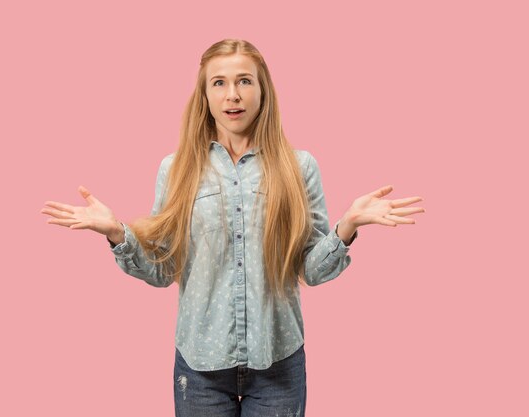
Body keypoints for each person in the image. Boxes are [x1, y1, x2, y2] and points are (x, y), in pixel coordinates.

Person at [40, 38, 425, 417]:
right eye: (219, 83)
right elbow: (162, 271)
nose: (233, 95)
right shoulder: (176, 169)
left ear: (262, 90)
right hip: (200, 366)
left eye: (244, 81)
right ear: (205, 95)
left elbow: (310, 269)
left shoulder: (299, 166)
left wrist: (348, 226)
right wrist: (116, 234)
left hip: (279, 362)